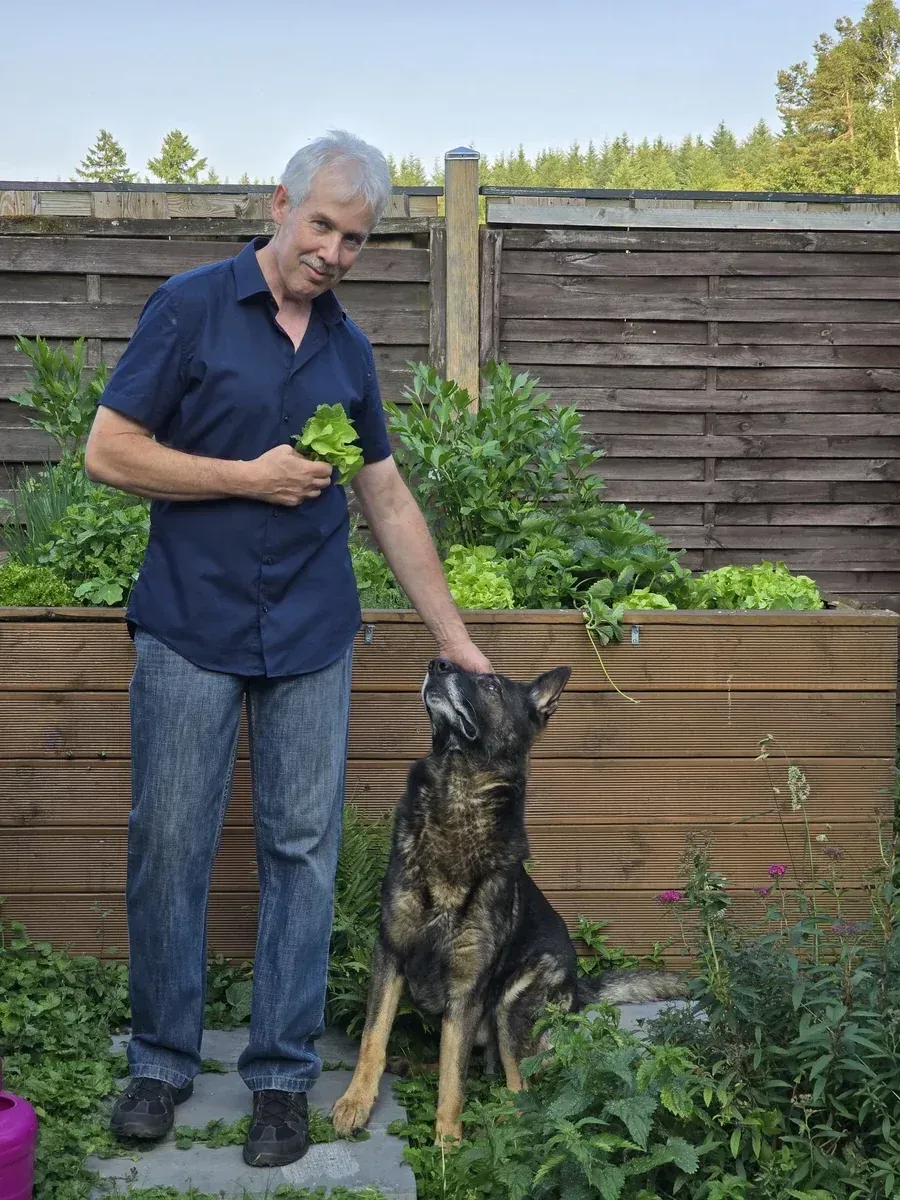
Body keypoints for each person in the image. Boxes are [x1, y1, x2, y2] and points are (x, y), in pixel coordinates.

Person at [84, 129, 492, 1168]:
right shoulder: (187, 310)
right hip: (190, 626)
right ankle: (162, 1064)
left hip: (311, 632)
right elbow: (108, 451)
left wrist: (454, 638)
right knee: (169, 844)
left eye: (356, 240)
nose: (335, 253)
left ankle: (279, 1079)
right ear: (280, 205)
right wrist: (246, 477)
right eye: (323, 227)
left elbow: (387, 496)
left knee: (301, 854)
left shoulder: (348, 349)